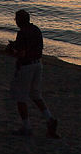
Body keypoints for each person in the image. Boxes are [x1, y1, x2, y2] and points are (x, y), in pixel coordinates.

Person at [5, 9, 58, 138]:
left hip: (26, 66)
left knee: (21, 97)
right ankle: (49, 118)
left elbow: (22, 53)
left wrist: (10, 51)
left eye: (16, 19)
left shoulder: (22, 33)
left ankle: (26, 127)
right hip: (38, 64)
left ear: (19, 21)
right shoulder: (36, 30)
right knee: (35, 94)